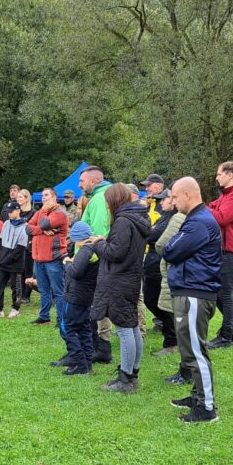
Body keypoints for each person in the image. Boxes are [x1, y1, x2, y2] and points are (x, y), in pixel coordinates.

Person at [163, 177, 223, 422]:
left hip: (195, 292)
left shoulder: (199, 222)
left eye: (175, 197)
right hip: (190, 290)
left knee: (195, 351)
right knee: (190, 349)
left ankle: (206, 408)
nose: (172, 202)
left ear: (188, 194)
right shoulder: (196, 220)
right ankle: (198, 395)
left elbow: (170, 250)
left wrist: (171, 247)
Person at [90, 183, 150, 393]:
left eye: (107, 201)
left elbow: (116, 252)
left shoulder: (123, 221)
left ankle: (125, 379)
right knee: (132, 327)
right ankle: (132, 374)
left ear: (114, 200)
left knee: (125, 330)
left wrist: (98, 243)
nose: (107, 206)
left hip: (119, 281)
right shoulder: (136, 218)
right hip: (131, 279)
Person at [206, 161, 233, 348]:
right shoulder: (226, 195)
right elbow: (213, 208)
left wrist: (202, 208)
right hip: (223, 249)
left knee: (225, 293)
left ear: (230, 174)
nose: (216, 177)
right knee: (217, 292)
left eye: (219, 174)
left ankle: (226, 336)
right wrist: (209, 208)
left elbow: (222, 218)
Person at [79, 165, 114, 363]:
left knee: (96, 304)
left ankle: (100, 348)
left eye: (82, 181)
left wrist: (86, 260)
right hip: (95, 260)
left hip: (94, 261)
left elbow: (99, 234)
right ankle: (98, 346)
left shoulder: (99, 199)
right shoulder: (101, 197)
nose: (79, 185)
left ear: (93, 181)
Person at [56, 221, 99, 376]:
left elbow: (76, 272)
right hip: (86, 296)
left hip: (75, 296)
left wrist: (67, 263)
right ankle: (87, 364)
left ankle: (80, 363)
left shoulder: (85, 251)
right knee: (84, 330)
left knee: (67, 329)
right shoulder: (95, 250)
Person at [156, 191, 190, 382]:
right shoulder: (199, 217)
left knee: (183, 327)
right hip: (187, 279)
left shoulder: (180, 217)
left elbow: (162, 245)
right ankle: (186, 372)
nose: (170, 201)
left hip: (181, 278)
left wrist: (168, 254)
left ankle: (187, 373)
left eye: (172, 197)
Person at [27, 187, 69, 328]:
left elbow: (43, 223)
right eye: (42, 195)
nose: (43, 197)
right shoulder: (40, 212)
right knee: (44, 290)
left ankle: (61, 319)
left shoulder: (59, 213)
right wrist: (43, 231)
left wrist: (42, 218)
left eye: (46, 195)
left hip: (53, 258)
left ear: (54, 198)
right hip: (39, 258)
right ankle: (44, 317)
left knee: (58, 291)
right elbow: (28, 228)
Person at [144, 188, 178, 356]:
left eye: (163, 199)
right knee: (151, 300)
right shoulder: (164, 217)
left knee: (159, 302)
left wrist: (148, 232)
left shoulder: (173, 219)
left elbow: (152, 235)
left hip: (159, 264)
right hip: (152, 263)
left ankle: (172, 340)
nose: (160, 202)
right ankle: (172, 333)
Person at [0, 200, 27, 318]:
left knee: (16, 287)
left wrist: (6, 259)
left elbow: (20, 249)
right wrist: (0, 256)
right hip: (3, 261)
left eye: (11, 211)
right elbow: (0, 241)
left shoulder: (25, 227)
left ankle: (15, 309)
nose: (9, 213)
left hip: (16, 263)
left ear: (18, 211)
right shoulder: (6, 223)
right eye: (8, 211)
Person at [16, 189, 36, 304]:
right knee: (19, 270)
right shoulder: (16, 211)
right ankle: (20, 294)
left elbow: (34, 228)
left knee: (28, 270)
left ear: (26, 198)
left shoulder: (33, 212)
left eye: (20, 197)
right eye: (17, 197)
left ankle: (26, 295)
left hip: (29, 245)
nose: (18, 199)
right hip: (17, 244)